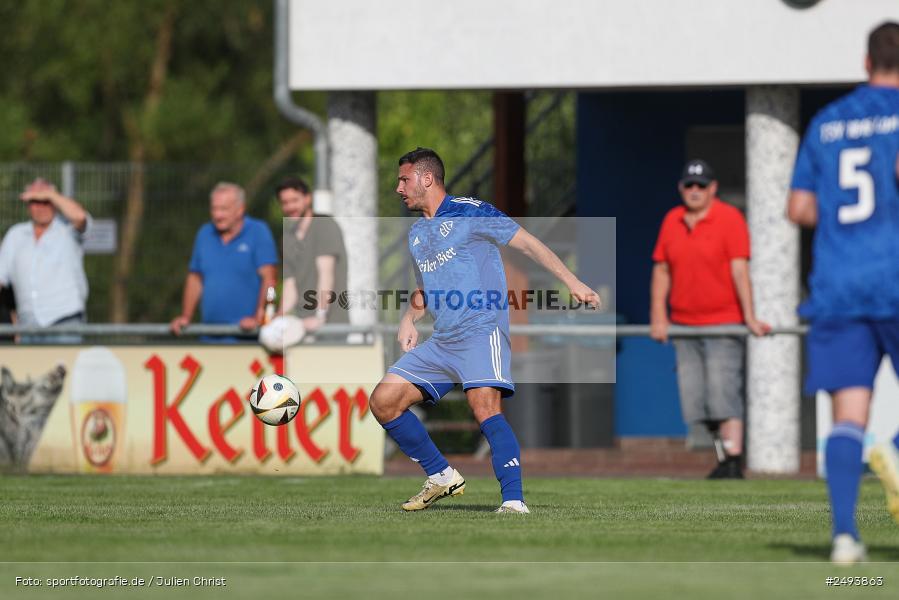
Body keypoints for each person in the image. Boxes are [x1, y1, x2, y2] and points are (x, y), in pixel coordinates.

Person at [369, 147, 600, 513]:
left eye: (403, 179)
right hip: (443, 340)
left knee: (484, 407)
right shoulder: (416, 235)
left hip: (481, 330)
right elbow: (424, 288)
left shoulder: (470, 211)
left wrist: (572, 282)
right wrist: (409, 319)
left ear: (426, 178)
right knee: (384, 401)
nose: (399, 188)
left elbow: (529, 244)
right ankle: (441, 476)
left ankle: (513, 501)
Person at [787, 21, 899, 565]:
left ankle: (845, 539)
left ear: (865, 61)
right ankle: (895, 454)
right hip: (894, 276)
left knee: (848, 415)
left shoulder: (827, 122)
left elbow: (799, 209)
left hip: (838, 283)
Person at [650, 159, 770, 479]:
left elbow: (740, 270)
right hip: (684, 324)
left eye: (700, 185)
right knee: (696, 400)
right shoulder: (672, 220)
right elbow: (662, 270)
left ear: (712, 188)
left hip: (723, 321)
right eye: (689, 185)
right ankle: (723, 458)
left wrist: (751, 317)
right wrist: (658, 315)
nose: (694, 191)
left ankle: (733, 459)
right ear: (681, 188)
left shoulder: (730, 219)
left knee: (723, 393)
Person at [170, 182, 278, 339]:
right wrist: (186, 316)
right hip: (209, 335)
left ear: (240, 209)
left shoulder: (258, 232)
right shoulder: (204, 234)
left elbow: (271, 281)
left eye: (224, 209)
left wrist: (261, 317)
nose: (217, 215)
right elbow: (195, 278)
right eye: (214, 208)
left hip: (248, 338)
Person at [0, 178, 91, 343]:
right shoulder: (15, 235)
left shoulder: (67, 230)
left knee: (66, 369)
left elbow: (79, 216)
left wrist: (49, 193)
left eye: (46, 201)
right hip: (27, 326)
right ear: (28, 205)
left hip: (64, 323)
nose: (40, 207)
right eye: (35, 201)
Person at [276, 177, 349, 335]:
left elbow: (326, 275)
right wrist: (278, 317)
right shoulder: (287, 237)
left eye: (294, 200)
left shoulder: (324, 225)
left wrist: (320, 317)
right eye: (285, 202)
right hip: (302, 324)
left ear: (307, 198)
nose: (290, 207)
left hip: (332, 324)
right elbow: (290, 285)